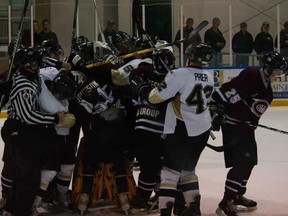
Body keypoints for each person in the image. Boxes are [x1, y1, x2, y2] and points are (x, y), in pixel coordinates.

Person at [130, 43, 214, 216]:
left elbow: (155, 98)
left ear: (190, 54)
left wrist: (143, 88)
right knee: (188, 170)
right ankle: (193, 208)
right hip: (203, 129)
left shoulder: (179, 74)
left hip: (181, 130)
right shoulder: (210, 76)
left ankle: (165, 211)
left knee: (169, 172)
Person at [0, 46, 75, 216]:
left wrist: (59, 63)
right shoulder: (24, 86)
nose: (37, 67)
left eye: (36, 64)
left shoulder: (31, 75)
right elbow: (28, 116)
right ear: (24, 65)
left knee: (25, 173)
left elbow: (43, 61)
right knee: (29, 175)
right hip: (17, 131)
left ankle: (12, 209)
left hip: (24, 131)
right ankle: (20, 210)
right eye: (32, 65)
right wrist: (56, 119)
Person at [211, 51, 288, 216]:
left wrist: (250, 120)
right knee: (243, 162)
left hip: (244, 129)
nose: (279, 75)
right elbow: (227, 92)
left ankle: (237, 194)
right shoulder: (251, 74)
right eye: (278, 71)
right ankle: (226, 202)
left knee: (250, 161)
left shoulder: (268, 93)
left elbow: (250, 113)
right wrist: (217, 109)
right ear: (269, 68)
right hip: (233, 127)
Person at [129, 43, 175, 213]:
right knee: (152, 166)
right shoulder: (167, 77)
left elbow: (134, 76)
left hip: (142, 126)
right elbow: (132, 75)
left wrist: (142, 88)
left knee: (152, 165)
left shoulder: (148, 72)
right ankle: (141, 199)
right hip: (154, 130)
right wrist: (142, 88)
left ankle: (152, 195)